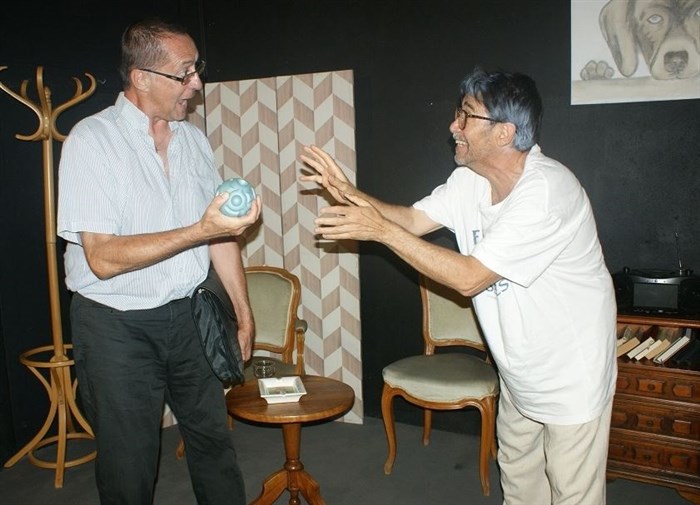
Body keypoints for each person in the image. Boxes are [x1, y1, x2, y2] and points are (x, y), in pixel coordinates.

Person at [300, 67, 617, 505]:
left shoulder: (547, 191)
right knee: (520, 483)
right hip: (519, 371)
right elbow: (411, 220)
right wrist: (347, 191)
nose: (454, 125)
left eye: (467, 115)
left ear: (504, 133)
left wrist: (380, 232)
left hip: (570, 374)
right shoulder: (470, 181)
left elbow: (470, 277)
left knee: (572, 493)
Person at [57, 19, 260, 505]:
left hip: (190, 317)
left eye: (196, 69)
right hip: (116, 328)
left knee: (214, 445)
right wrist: (200, 230)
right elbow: (102, 258)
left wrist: (243, 314)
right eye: (184, 72)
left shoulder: (193, 141)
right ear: (141, 77)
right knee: (130, 465)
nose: (197, 83)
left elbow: (220, 234)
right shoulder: (92, 141)